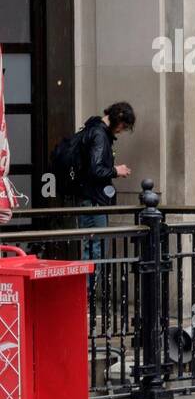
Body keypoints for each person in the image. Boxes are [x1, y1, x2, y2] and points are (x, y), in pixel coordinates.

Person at [74, 103, 135, 290]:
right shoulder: (100, 135)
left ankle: (86, 298)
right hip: (93, 201)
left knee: (92, 247)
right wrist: (117, 170)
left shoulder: (92, 129)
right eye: (123, 126)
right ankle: (86, 298)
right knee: (95, 248)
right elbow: (96, 169)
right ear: (119, 119)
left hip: (89, 199)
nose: (122, 131)